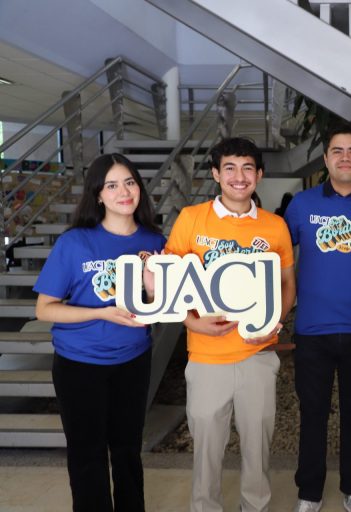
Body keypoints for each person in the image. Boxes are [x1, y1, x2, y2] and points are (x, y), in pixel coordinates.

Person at [164, 137, 296, 512]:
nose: (240, 176)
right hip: (207, 358)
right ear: (216, 174)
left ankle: (256, 507)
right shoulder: (192, 218)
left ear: (260, 175)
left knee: (258, 448)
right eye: (230, 168)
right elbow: (169, 281)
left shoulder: (275, 226)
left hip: (257, 355)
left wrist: (276, 321)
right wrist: (192, 322)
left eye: (248, 168)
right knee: (206, 450)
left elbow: (288, 283)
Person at [34, 153, 165, 511]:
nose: (124, 192)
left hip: (133, 361)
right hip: (79, 365)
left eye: (130, 183)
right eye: (112, 185)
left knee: (127, 452)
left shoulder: (155, 242)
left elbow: (160, 305)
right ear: (98, 195)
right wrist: (102, 313)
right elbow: (45, 309)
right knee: (87, 455)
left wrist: (152, 288)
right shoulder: (75, 243)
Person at [284, 120, 351, 512]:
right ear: (326, 158)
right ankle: (309, 493)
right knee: (312, 414)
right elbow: (274, 260)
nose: (345, 158)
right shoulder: (301, 205)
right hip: (312, 331)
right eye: (337, 151)